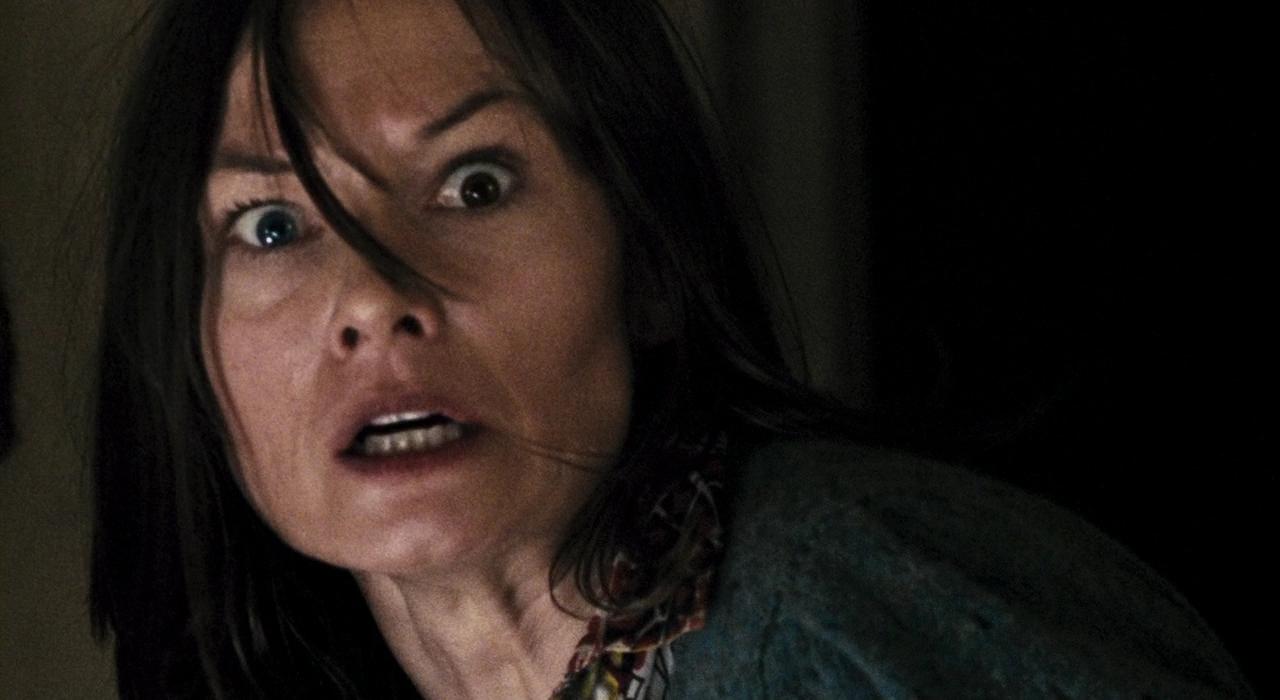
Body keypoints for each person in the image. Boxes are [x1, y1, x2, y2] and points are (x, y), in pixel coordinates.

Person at [89, 1, 1251, 698]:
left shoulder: (848, 608)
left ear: (644, 258)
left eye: (474, 183)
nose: (372, 298)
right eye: (270, 226)